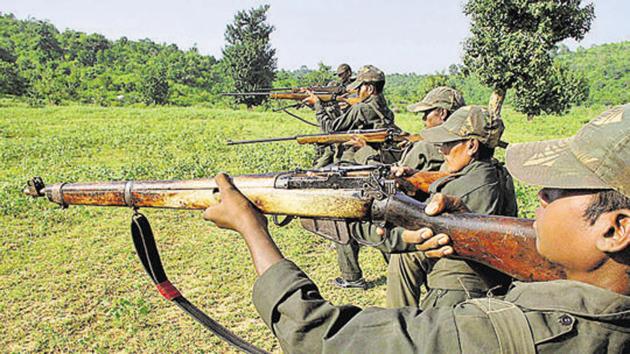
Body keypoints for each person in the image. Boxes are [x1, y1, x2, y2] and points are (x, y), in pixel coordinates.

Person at [203, 104, 630, 353]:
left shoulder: (502, 334)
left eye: (555, 192)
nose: (539, 197)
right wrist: (464, 220)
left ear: (616, 229)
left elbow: (320, 335)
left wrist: (251, 228)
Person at [385, 105, 517, 308]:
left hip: (459, 286)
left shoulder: (463, 187)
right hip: (483, 275)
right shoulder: (496, 172)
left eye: (449, 143)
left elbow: (417, 229)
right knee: (404, 259)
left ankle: (400, 322)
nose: (441, 149)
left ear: (472, 145)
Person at [335, 87, 465, 290]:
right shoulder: (460, 146)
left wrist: (365, 151)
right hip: (430, 215)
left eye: (426, 113)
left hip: (417, 217)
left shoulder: (429, 145)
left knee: (351, 218)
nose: (423, 119)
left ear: (442, 114)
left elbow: (391, 176)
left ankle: (352, 276)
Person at [304, 65, 396, 289]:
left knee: (342, 218)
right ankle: (392, 267)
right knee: (377, 219)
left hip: (358, 168)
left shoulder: (363, 109)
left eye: (360, 88)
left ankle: (351, 276)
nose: (357, 92)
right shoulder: (384, 108)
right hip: (377, 167)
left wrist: (318, 106)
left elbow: (330, 129)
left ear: (370, 88)